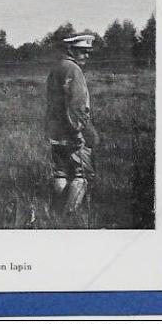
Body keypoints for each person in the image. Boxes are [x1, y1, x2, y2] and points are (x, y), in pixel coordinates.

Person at [45, 34, 99, 225]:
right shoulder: (74, 69)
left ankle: (55, 213)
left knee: (61, 173)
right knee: (81, 175)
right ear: (71, 51)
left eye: (87, 52)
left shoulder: (57, 68)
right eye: (82, 52)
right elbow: (76, 105)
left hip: (55, 131)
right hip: (72, 131)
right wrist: (78, 132)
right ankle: (68, 218)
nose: (86, 56)